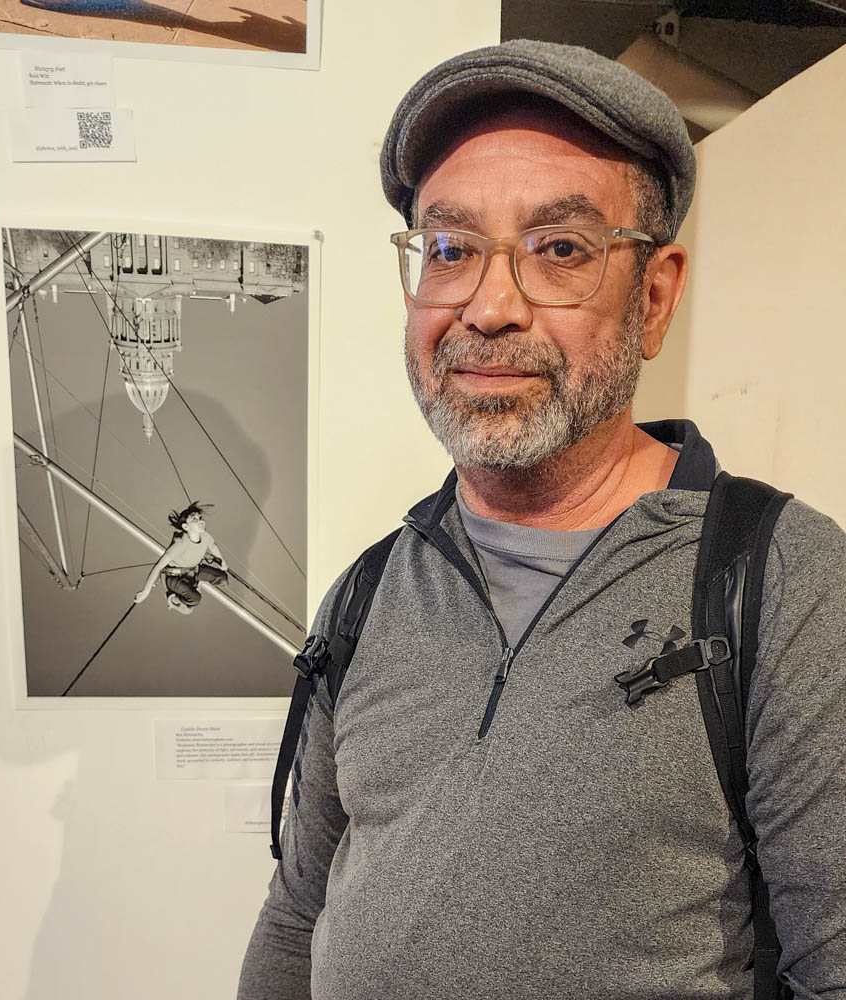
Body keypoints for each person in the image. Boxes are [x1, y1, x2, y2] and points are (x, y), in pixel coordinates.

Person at [238, 39, 846, 1000]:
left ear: (654, 297)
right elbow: (302, 909)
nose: (488, 307)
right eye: (451, 249)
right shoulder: (370, 592)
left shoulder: (782, 585)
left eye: (559, 249)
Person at [134, 501, 227, 614]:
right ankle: (173, 598)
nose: (201, 521)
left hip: (194, 570)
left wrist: (222, 562)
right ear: (186, 526)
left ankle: (197, 583)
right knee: (195, 599)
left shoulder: (205, 536)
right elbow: (158, 567)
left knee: (223, 579)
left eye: (200, 517)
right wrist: (145, 591)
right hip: (174, 577)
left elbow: (213, 547)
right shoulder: (180, 544)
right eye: (194, 519)